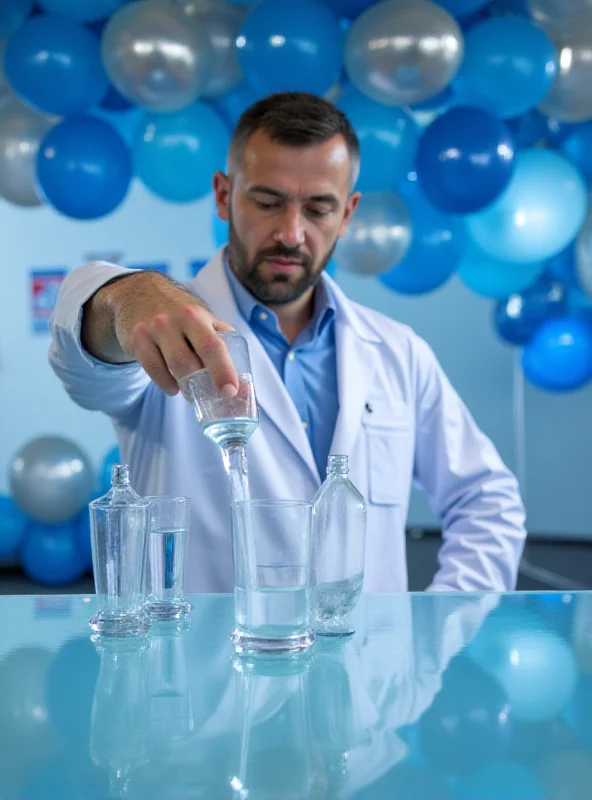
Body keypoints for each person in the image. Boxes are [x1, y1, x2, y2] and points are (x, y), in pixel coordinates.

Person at [49, 92, 526, 593]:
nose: (292, 233)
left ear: (348, 214)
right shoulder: (162, 327)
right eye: (268, 202)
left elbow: (486, 500)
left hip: (365, 665)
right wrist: (126, 298)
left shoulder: (397, 352)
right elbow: (83, 363)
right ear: (222, 195)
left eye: (319, 208)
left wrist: (435, 631)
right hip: (205, 667)